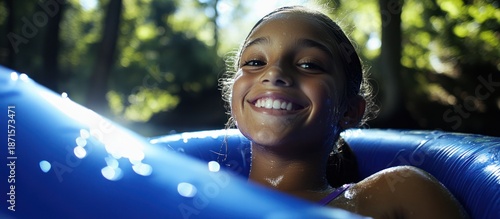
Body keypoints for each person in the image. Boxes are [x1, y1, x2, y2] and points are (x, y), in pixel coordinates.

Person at [220, 6, 468, 219]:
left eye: (309, 64)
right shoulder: (194, 194)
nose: (273, 74)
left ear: (349, 111)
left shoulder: (395, 194)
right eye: (255, 62)